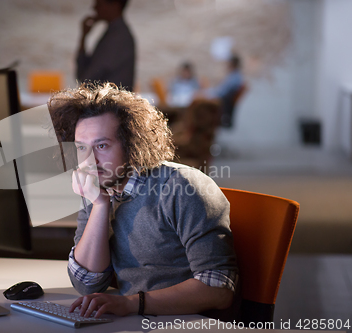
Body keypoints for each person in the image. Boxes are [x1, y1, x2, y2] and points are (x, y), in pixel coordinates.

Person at [48, 83, 238, 319]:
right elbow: (87, 283)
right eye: (81, 147)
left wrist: (129, 304)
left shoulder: (182, 187)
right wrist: (99, 206)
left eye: (102, 146)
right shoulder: (97, 189)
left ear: (132, 145)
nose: (88, 160)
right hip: (134, 319)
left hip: (186, 322)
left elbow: (218, 290)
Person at [76, 0, 135, 91]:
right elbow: (84, 77)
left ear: (115, 5)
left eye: (99, 3)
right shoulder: (115, 34)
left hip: (112, 103)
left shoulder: (117, 38)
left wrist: (83, 37)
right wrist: (84, 36)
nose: (94, 8)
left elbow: (86, 80)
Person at [204, 54, 244, 127]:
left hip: (220, 100)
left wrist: (208, 93)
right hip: (220, 98)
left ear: (232, 64)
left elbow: (222, 93)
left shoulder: (234, 78)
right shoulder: (233, 76)